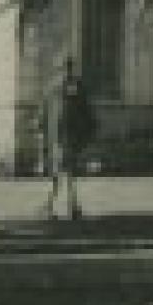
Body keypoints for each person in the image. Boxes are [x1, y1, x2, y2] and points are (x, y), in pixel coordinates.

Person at [40, 58, 96, 221]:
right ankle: (61, 206)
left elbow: (84, 112)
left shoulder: (65, 88)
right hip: (60, 138)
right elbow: (47, 114)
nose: (67, 72)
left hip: (65, 137)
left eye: (68, 68)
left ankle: (62, 206)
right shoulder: (57, 89)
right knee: (63, 173)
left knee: (66, 173)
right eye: (65, 68)